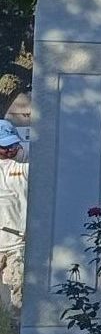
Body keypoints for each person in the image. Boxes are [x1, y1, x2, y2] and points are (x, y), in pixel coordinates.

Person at [0, 121, 26, 312]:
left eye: (13, 145)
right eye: (5, 146)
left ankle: (16, 330)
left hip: (18, 241)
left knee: (18, 294)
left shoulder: (28, 162)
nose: (10, 150)